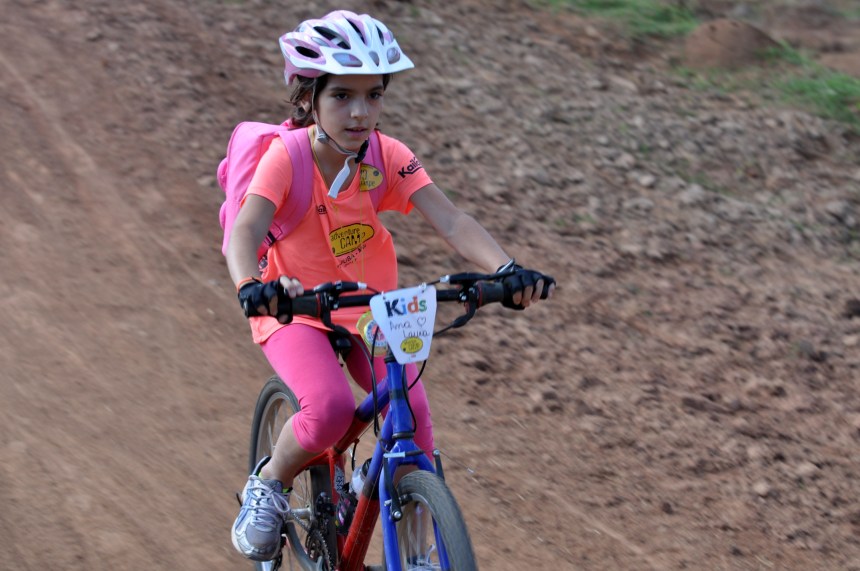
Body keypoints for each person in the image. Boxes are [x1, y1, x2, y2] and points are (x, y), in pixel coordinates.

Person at [227, 10, 555, 562]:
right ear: (308, 98)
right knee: (329, 408)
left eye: (373, 95)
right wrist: (249, 284)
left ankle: (417, 548)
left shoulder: (387, 155)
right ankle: (270, 483)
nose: (360, 112)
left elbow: (452, 221)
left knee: (414, 413)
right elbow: (246, 229)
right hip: (294, 308)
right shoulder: (288, 158)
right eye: (342, 96)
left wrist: (506, 269)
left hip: (370, 309)